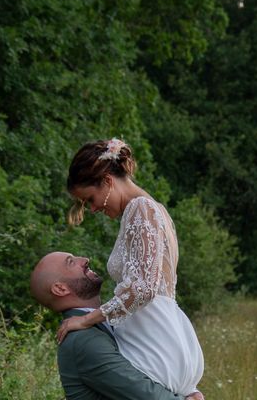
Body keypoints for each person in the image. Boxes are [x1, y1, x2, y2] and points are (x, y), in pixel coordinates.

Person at [57, 138, 204, 397]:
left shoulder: (140, 208)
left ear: (107, 181)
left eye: (90, 199)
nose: (92, 209)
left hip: (153, 337)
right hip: (167, 331)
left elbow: (144, 288)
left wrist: (87, 319)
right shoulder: (156, 210)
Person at [30, 251, 203, 399]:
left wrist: (190, 390)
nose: (84, 259)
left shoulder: (105, 320)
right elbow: (145, 394)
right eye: (71, 262)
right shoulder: (81, 340)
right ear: (60, 289)